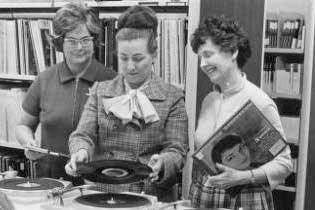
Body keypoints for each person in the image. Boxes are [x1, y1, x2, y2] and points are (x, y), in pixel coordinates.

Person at [64, 5, 188, 202]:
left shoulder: (173, 97)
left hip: (149, 195)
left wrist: (163, 162)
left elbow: (177, 150)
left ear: (154, 55)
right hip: (102, 193)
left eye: (138, 58)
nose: (130, 66)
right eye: (123, 58)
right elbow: (83, 135)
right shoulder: (100, 90)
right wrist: (80, 152)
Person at [188, 16, 293, 210]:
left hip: (245, 199)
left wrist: (243, 177)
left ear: (233, 51)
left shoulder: (259, 102)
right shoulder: (209, 100)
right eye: (200, 57)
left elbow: (284, 163)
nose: (202, 64)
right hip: (203, 197)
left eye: (208, 54)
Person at [15, 3, 117, 181]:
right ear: (60, 42)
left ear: (94, 40)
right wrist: (28, 143)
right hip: (51, 181)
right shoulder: (44, 79)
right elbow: (23, 126)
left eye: (86, 39)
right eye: (72, 41)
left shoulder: (112, 81)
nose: (80, 47)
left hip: (97, 182)